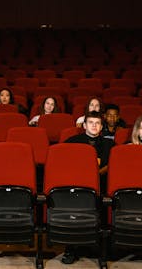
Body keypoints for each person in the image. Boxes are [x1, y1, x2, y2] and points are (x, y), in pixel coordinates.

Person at [62, 110, 114, 264]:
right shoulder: (72, 141)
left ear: (101, 126)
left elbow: (113, 165)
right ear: (84, 125)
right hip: (78, 187)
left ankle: (99, 250)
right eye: (91, 122)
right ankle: (71, 249)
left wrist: (98, 173)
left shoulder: (109, 144)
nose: (94, 126)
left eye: (97, 123)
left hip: (102, 186)